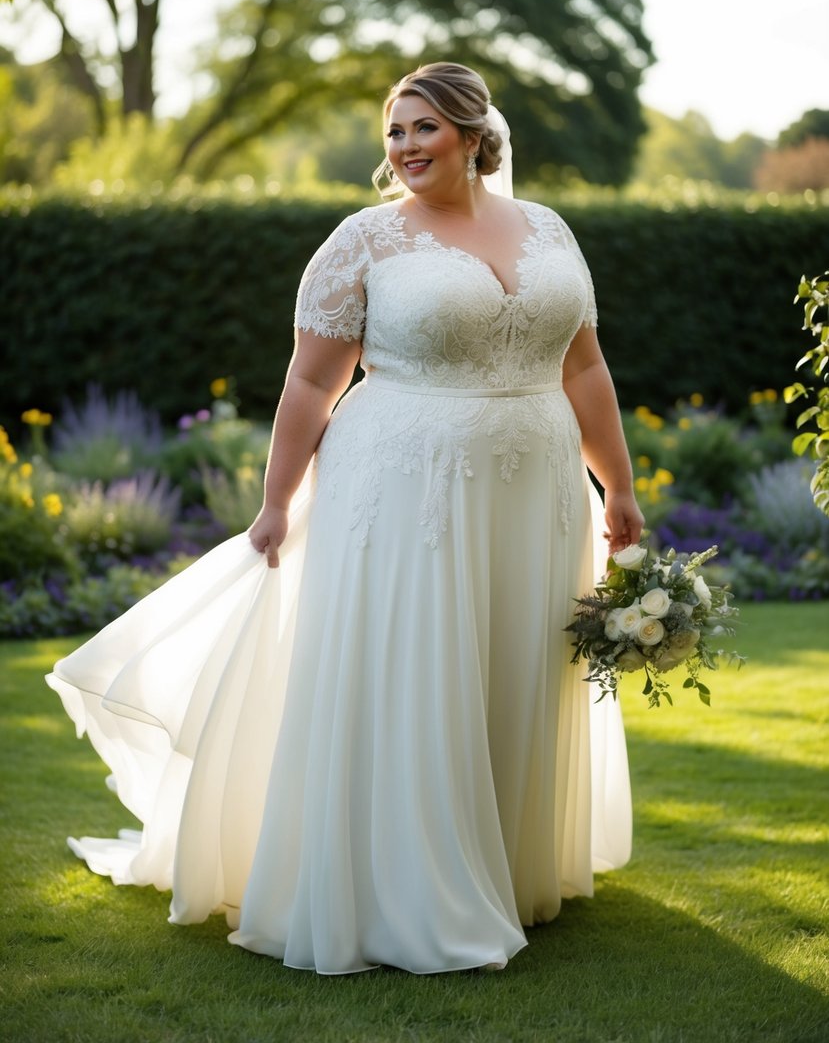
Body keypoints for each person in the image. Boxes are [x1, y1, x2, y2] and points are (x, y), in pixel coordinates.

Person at [48, 61, 643, 975]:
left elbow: (585, 369)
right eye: (394, 132)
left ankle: (511, 870)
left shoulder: (548, 229)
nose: (404, 147)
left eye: (423, 129)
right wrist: (275, 503)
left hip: (537, 492)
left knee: (515, 662)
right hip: (406, 488)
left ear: (474, 135)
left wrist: (619, 489)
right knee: (421, 668)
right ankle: (406, 891)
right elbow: (310, 381)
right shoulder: (364, 242)